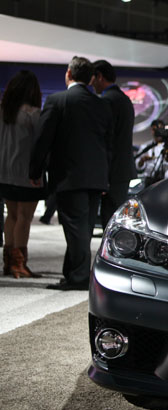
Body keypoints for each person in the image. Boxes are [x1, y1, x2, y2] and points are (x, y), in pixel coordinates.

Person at [29, 56, 113, 290]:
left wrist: (35, 170)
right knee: (83, 230)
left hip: (70, 177)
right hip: (96, 177)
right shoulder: (102, 105)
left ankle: (78, 278)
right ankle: (73, 274)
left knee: (76, 230)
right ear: (89, 78)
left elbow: (43, 139)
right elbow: (109, 145)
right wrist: (105, 178)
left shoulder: (58, 100)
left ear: (68, 74)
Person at [0, 70, 45, 278]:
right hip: (28, 174)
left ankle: (9, 261)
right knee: (24, 217)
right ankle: (19, 263)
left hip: (5, 173)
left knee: (12, 215)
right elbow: (41, 146)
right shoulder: (33, 114)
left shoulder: (4, 111)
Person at [91, 60, 136, 229]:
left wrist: (104, 175)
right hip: (122, 171)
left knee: (109, 222)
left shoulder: (106, 101)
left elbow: (107, 140)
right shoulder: (124, 99)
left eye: (92, 78)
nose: (91, 83)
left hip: (111, 172)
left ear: (100, 77)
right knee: (116, 219)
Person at [135, 119, 168, 184]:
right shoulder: (146, 146)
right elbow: (138, 165)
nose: (157, 132)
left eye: (159, 129)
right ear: (151, 131)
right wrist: (143, 160)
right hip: (150, 179)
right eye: (154, 130)